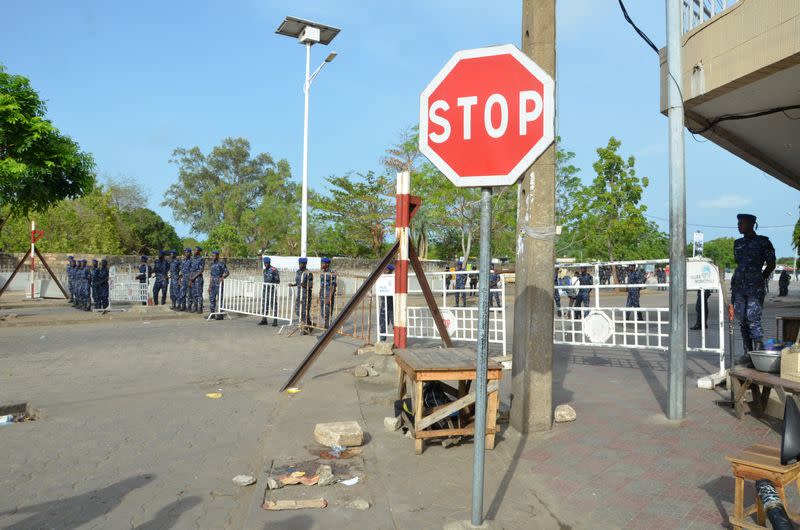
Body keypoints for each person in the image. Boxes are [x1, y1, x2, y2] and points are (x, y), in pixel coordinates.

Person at [731, 213, 776, 365]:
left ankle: (757, 354)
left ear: (752, 224)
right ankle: (747, 353)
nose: (739, 225)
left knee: (753, 319)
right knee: (742, 320)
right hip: (739, 286)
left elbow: (771, 264)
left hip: (754, 288)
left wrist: (761, 277)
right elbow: (739, 262)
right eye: (738, 223)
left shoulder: (763, 242)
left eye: (742, 223)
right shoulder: (737, 243)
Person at [290, 257, 313, 334]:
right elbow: (298, 282)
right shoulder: (298, 272)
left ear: (305, 264)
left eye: (302, 264)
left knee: (305, 311)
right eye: (299, 263)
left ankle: (305, 327)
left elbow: (310, 284)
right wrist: (293, 285)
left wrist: (305, 284)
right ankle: (309, 323)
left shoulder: (308, 273)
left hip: (306, 295)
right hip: (299, 294)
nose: (300, 265)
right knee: (297, 311)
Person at [259, 256, 280, 326]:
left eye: (267, 263)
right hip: (265, 291)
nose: (266, 264)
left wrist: (272, 282)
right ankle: (264, 320)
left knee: (273, 305)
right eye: (265, 263)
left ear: (269, 263)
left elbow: (278, 280)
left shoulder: (274, 270)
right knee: (264, 305)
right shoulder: (264, 270)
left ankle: (275, 321)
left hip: (272, 291)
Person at [208, 250, 229, 320]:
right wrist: (209, 286)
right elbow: (211, 275)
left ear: (217, 256)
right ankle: (212, 314)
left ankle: (220, 315)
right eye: (212, 255)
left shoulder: (221, 263)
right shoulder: (211, 264)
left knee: (220, 299)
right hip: (213, 283)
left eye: (214, 255)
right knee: (211, 298)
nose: (212, 257)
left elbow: (227, 272)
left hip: (219, 283)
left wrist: (223, 277)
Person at [319, 257, 337, 329]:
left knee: (327, 313)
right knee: (322, 313)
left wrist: (329, 297)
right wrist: (319, 295)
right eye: (322, 263)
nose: (322, 264)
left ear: (328, 264)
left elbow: (333, 285)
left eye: (323, 263)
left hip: (328, 294)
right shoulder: (322, 272)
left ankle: (328, 331)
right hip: (323, 294)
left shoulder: (332, 272)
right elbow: (321, 284)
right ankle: (327, 328)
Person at [379, 264, 395, 341]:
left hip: (391, 301)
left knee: (394, 320)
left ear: (388, 271)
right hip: (384, 301)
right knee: (383, 320)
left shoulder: (392, 278)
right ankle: (382, 338)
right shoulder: (382, 277)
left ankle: (396, 338)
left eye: (385, 270)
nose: (383, 271)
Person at [189, 246, 205, 315]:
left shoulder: (201, 259)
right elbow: (191, 270)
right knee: (194, 294)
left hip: (198, 279)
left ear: (198, 251)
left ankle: (200, 308)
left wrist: (194, 277)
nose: (194, 251)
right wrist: (190, 279)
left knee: (199, 294)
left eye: (195, 250)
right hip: (192, 279)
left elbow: (201, 270)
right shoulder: (192, 259)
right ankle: (195, 307)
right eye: (194, 250)